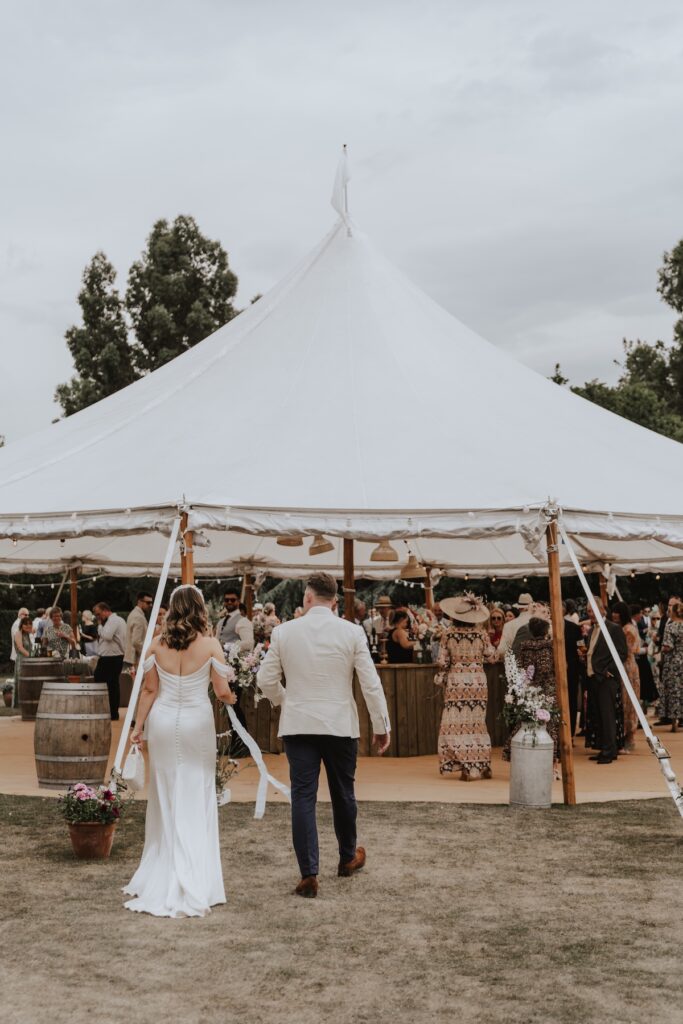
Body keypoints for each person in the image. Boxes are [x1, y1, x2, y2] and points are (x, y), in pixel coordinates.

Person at [256, 571, 391, 899]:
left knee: (303, 796)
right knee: (343, 792)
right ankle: (347, 858)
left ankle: (308, 875)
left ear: (307, 597)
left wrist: (284, 699)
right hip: (338, 725)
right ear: (334, 601)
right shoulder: (352, 632)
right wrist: (381, 725)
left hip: (299, 724)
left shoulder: (285, 632)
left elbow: (265, 679)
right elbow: (370, 683)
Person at [124, 585, 236, 917]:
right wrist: (233, 697)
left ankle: (164, 865)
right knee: (196, 790)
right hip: (196, 725)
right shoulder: (211, 645)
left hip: (161, 722)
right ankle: (195, 874)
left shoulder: (156, 645)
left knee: (166, 793)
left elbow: (148, 689)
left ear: (172, 610)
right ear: (200, 609)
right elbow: (221, 689)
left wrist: (137, 727)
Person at [435, 595, 496, 780]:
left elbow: (441, 661)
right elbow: (492, 658)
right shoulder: (481, 634)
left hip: (456, 682)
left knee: (454, 725)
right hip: (477, 681)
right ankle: (481, 764)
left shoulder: (448, 634)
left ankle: (466, 766)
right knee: (476, 725)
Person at [579, 598, 628, 764]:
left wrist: (609, 671)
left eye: (592, 610)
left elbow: (622, 653)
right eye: (588, 610)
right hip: (593, 677)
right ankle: (604, 748)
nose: (589, 613)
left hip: (606, 679)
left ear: (602, 610)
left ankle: (609, 751)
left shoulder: (614, 629)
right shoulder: (593, 630)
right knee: (598, 715)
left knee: (607, 716)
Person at [515, 617, 559, 766]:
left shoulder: (523, 646)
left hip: (530, 689)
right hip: (547, 688)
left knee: (528, 720)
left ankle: (528, 755)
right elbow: (555, 667)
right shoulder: (550, 646)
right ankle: (551, 759)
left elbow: (520, 667)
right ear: (546, 631)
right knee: (550, 722)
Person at [611, 602, 641, 751]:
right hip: (625, 666)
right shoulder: (624, 628)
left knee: (628, 702)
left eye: (617, 612)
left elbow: (628, 650)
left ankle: (629, 737)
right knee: (624, 701)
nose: (614, 615)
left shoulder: (628, 629)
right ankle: (625, 736)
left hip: (627, 667)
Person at [93, 602, 127, 720]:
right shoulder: (117, 620)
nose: (98, 617)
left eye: (98, 614)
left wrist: (99, 626)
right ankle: (112, 712)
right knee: (112, 685)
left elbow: (107, 636)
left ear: (105, 610)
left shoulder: (113, 621)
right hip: (112, 657)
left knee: (103, 683)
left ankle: (109, 712)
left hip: (111, 657)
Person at [659, 600, 683, 732]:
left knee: (673, 691)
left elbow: (668, 646)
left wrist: (662, 649)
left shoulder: (670, 627)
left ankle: (674, 722)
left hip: (674, 662)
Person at [563, 601, 582, 736]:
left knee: (572, 701)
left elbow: (581, 647)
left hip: (572, 670)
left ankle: (570, 733)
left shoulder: (574, 628)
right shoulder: (547, 627)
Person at [497, 593, 533, 659]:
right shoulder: (540, 623)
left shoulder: (509, 625)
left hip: (516, 663)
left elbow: (501, 650)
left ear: (519, 608)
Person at [124, 591, 152, 670]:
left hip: (133, 659)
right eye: (148, 602)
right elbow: (136, 641)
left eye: (151, 603)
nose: (150, 605)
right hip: (137, 660)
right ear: (140, 602)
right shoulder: (138, 617)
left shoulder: (135, 614)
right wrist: (147, 653)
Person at [12, 614, 33, 707]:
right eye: (26, 624)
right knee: (21, 682)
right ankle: (19, 703)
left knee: (28, 682)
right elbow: (20, 648)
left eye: (30, 624)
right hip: (22, 661)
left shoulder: (27, 634)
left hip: (28, 661)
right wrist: (31, 656)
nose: (28, 626)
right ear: (21, 624)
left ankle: (27, 701)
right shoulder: (18, 633)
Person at [10, 607, 30, 677]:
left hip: (24, 655)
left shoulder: (22, 624)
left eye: (28, 615)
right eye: (25, 615)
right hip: (20, 656)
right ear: (20, 615)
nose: (27, 616)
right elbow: (19, 645)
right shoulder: (17, 624)